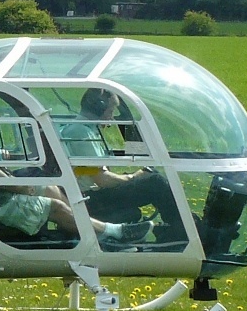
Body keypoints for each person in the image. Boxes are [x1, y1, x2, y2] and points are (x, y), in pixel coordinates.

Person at [0, 90, 140, 244]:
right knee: (56, 207)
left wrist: (1, 155)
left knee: (51, 188)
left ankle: (91, 230)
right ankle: (110, 232)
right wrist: (132, 178)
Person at [68, 88, 182, 231]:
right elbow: (101, 179)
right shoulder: (81, 133)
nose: (112, 117)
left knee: (151, 178)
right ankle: (180, 230)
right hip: (91, 199)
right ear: (99, 107)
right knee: (155, 183)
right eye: (111, 110)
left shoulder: (83, 130)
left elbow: (91, 172)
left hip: (92, 194)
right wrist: (132, 177)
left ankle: (176, 227)